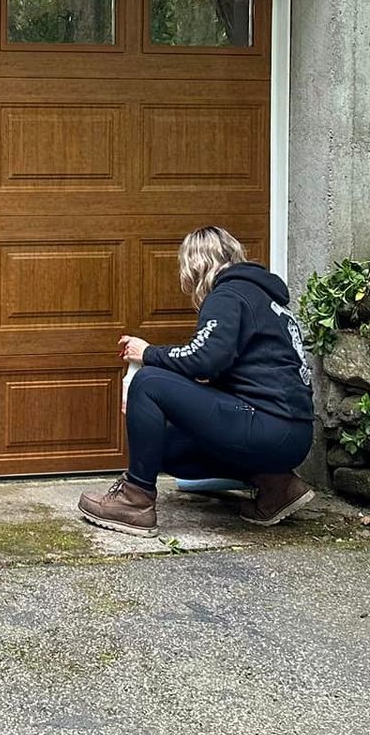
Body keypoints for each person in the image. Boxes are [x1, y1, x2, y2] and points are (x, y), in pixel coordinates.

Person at [79, 226, 315, 536]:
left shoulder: (228, 294)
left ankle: (134, 500)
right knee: (166, 448)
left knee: (148, 382)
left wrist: (147, 353)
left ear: (196, 264)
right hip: (293, 437)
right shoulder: (266, 300)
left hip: (266, 426)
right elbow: (225, 370)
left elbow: (204, 359)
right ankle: (277, 486)